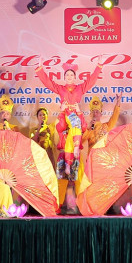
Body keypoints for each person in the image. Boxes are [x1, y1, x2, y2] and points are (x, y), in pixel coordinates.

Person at [34, 61, 103, 211]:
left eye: (72, 74)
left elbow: (91, 80)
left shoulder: (80, 88)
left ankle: (83, 205)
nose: (70, 76)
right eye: (67, 75)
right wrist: (39, 68)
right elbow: (48, 82)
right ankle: (56, 206)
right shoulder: (60, 89)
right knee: (62, 178)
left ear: (75, 77)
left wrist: (99, 66)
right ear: (64, 77)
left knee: (79, 176)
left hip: (76, 124)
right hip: (65, 129)